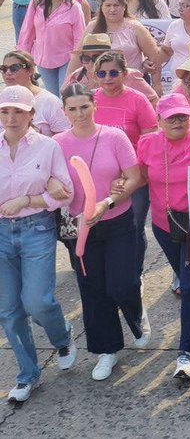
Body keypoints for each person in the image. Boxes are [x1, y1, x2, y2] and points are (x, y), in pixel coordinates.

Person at [55, 84, 145, 381]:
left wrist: (108, 201)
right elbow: (51, 182)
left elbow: (135, 177)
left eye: (84, 106)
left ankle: (136, 314)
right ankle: (107, 350)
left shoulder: (114, 137)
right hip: (81, 228)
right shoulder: (57, 143)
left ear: (94, 105)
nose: (79, 114)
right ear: (64, 111)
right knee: (92, 290)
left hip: (117, 219)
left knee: (122, 284)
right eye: (72, 109)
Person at [130, 93, 190, 381]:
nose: (178, 121)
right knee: (186, 277)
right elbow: (141, 178)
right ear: (159, 121)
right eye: (171, 118)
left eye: (182, 116)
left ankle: (185, 356)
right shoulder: (147, 143)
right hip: (164, 225)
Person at [0, 85, 75, 402]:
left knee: (38, 302)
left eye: (19, 111)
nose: (11, 117)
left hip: (36, 228)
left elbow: (67, 193)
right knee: (9, 310)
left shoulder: (48, 147)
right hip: (2, 232)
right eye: (5, 111)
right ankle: (28, 375)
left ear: (32, 114)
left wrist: (29, 199)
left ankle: (62, 337)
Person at [17, 0, 86, 97]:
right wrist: (24, 58)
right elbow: (27, 32)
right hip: (43, 59)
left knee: (64, 94)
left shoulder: (74, 7)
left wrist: (78, 61)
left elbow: (79, 37)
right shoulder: (37, 2)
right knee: (52, 97)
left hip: (67, 59)